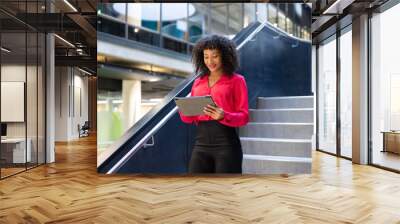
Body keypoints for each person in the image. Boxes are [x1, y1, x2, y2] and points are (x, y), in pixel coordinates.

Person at [179, 35, 249, 173]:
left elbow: (244, 116)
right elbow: (188, 119)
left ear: (224, 56)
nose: (210, 61)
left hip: (227, 146)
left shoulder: (237, 80)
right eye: (206, 56)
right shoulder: (198, 82)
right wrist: (185, 111)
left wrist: (224, 115)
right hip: (200, 145)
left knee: (224, 191)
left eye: (215, 56)